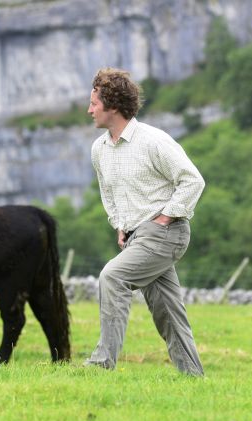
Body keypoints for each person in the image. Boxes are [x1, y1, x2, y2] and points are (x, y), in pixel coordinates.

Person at [82, 68, 206, 376]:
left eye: (94, 103)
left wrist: (164, 218)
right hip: (136, 236)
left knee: (112, 276)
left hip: (166, 232)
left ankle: (101, 363)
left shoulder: (153, 141)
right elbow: (108, 192)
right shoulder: (99, 149)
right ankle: (193, 377)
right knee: (168, 312)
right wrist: (120, 225)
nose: (89, 110)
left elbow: (193, 181)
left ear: (111, 105)